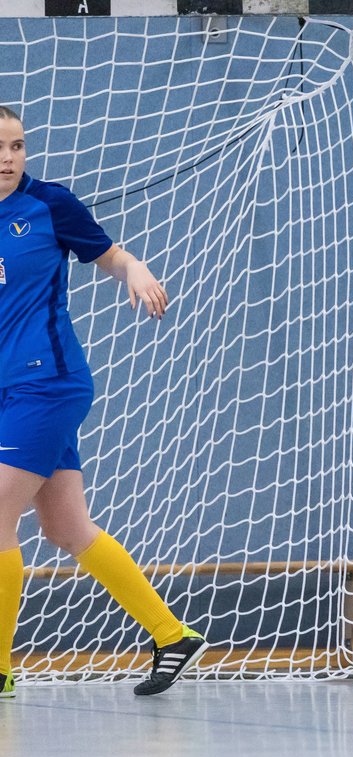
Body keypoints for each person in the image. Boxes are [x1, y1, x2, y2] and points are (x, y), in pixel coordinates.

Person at [0, 105, 207, 698]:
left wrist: (134, 268)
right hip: (8, 391)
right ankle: (172, 635)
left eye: (17, 146)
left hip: (48, 384)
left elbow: (108, 254)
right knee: (66, 526)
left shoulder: (49, 204)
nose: (9, 158)